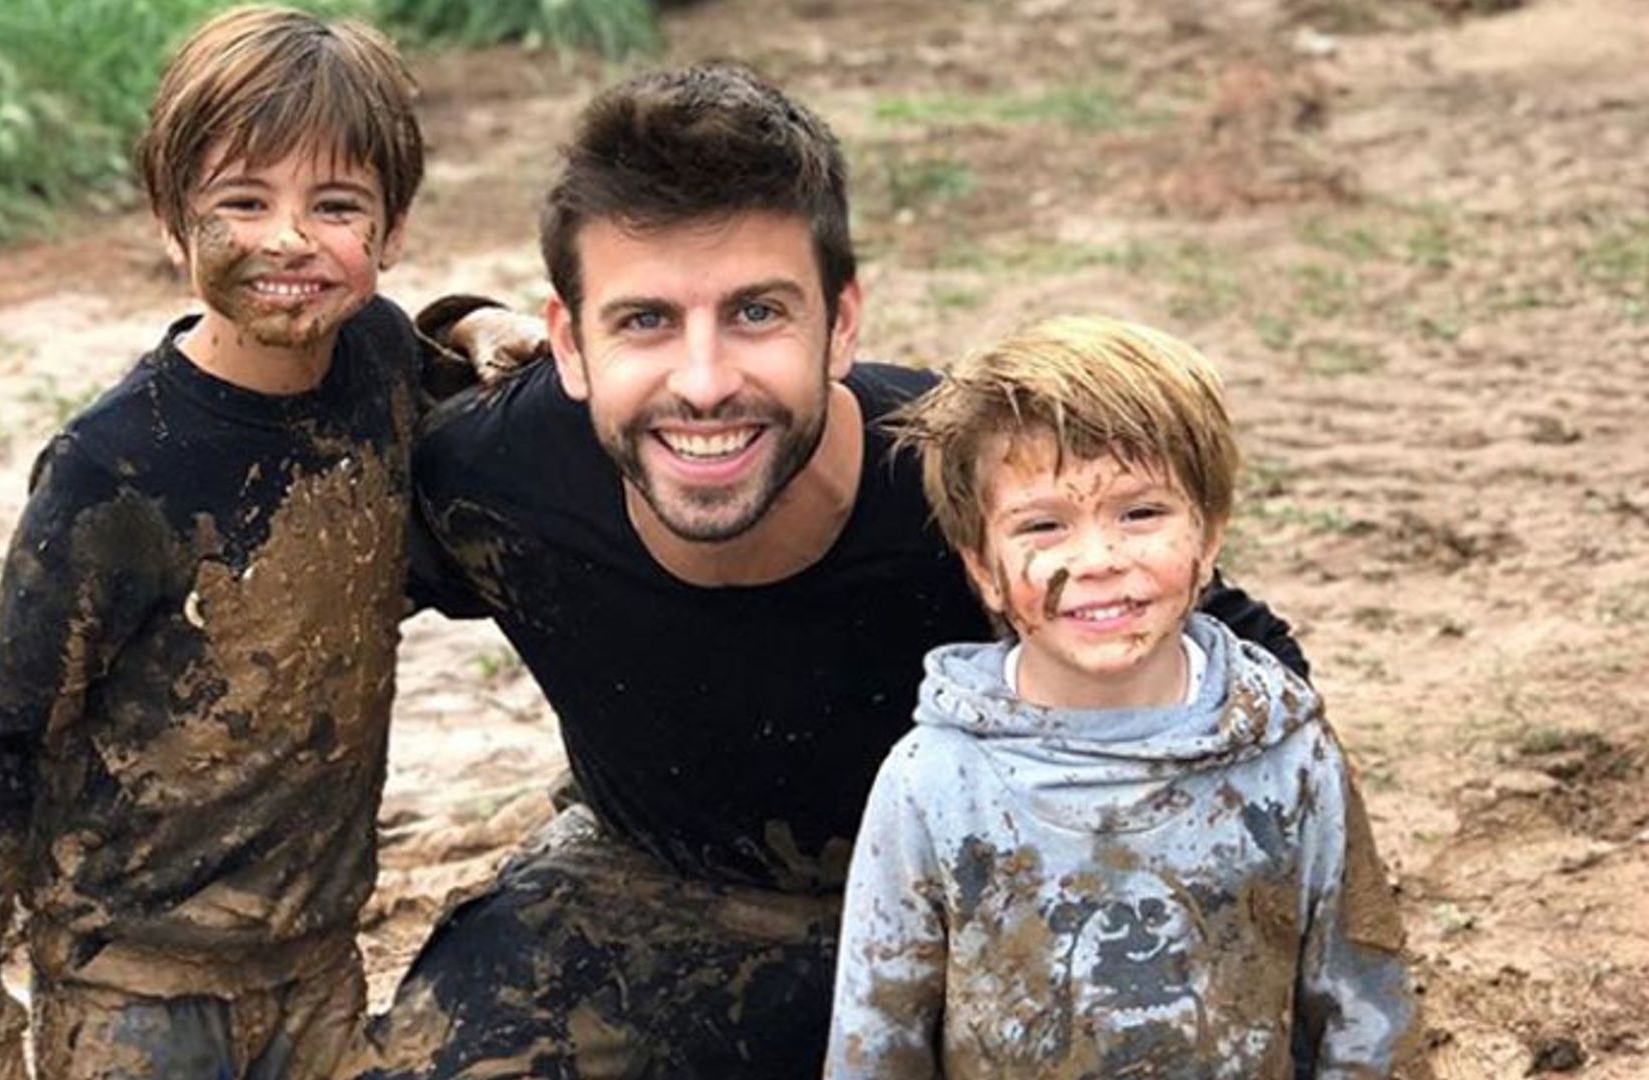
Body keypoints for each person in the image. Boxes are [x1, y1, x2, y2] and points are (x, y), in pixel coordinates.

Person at [368, 63, 1312, 1079]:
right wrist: (453, 325)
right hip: (650, 882)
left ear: (841, 324)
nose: (704, 382)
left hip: (968, 908)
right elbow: (277, 543)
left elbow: (1249, 672)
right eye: (644, 320)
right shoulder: (494, 476)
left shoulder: (972, 486)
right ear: (568, 341)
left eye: (758, 313)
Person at [0, 8, 427, 1078]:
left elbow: (459, 368)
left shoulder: (381, 361)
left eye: (335, 206)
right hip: (133, 979)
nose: (288, 238)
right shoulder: (114, 467)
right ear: (169, 220)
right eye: (242, 202)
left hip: (319, 961)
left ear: (392, 227)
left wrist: (477, 321)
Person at [826, 315, 1422, 1078]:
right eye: (1044, 525)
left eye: (1141, 513)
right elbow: (876, 1035)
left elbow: (1365, 1008)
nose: (1099, 558)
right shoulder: (932, 782)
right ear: (982, 568)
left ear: (1208, 535)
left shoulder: (1290, 756)